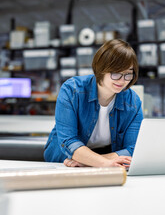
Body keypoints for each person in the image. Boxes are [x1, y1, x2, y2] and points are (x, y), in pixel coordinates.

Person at [44, 39, 143, 168]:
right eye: (116, 73)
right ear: (101, 69)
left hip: (105, 164)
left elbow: (133, 148)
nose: (122, 80)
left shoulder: (133, 102)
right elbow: (69, 142)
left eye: (128, 74)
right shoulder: (72, 90)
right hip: (64, 162)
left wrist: (92, 162)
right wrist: (102, 162)